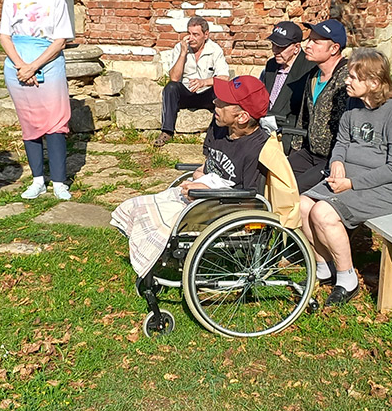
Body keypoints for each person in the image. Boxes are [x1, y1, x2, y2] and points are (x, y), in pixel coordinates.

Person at [112, 75, 300, 278]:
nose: (214, 103)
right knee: (135, 206)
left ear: (242, 117)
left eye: (223, 103)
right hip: (203, 196)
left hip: (224, 208)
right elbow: (209, 162)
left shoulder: (258, 149)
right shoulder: (220, 128)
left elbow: (249, 200)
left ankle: (151, 265)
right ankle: (149, 260)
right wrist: (200, 174)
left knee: (160, 223)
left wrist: (207, 193)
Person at [299, 49, 392, 307]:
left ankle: (347, 278)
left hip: (386, 187)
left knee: (323, 214)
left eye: (353, 77)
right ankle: (324, 266)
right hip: (349, 177)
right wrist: (337, 161)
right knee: (302, 205)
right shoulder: (354, 104)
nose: (346, 81)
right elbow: (342, 141)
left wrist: (351, 184)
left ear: (374, 82)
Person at [0, 0, 74, 201]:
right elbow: (4, 35)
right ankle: (38, 179)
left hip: (48, 63)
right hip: (17, 65)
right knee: (29, 122)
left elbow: (60, 40)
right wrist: (21, 65)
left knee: (55, 122)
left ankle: (59, 181)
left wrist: (35, 66)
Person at [287, 19, 358, 192]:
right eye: (309, 39)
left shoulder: (347, 80)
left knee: (293, 190)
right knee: (275, 176)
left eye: (316, 42)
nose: (308, 45)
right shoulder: (313, 75)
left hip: (332, 159)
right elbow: (304, 118)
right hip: (309, 153)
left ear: (334, 48)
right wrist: (294, 151)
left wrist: (338, 160)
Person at [155, 16, 229, 146]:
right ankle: (167, 131)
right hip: (186, 92)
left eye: (196, 34)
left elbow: (224, 77)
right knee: (170, 87)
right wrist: (183, 53)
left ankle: (219, 133)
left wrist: (204, 82)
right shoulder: (180, 47)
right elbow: (174, 78)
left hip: (206, 94)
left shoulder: (215, 49)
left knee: (221, 89)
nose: (191, 38)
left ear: (206, 35)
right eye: (189, 34)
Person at [258, 20, 314, 144]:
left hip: (289, 131)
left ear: (296, 48)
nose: (275, 50)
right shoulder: (272, 64)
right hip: (265, 125)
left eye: (281, 47)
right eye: (273, 44)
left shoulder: (309, 69)